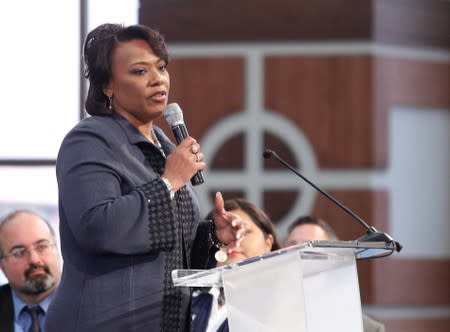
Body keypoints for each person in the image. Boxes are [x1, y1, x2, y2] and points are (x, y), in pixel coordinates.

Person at [44, 23, 243, 332]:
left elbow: (171, 252)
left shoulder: (164, 146)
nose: (157, 79)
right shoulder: (89, 140)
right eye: (139, 71)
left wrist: (214, 235)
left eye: (161, 68)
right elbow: (96, 228)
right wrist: (170, 182)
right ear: (107, 85)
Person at [192, 198, 281, 332]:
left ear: (268, 243)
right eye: (223, 232)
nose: (234, 239)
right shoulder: (184, 299)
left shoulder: (283, 302)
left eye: (243, 230)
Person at [285, 215, 386, 332]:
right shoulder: (269, 316)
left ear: (333, 256)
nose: (299, 251)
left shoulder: (367, 329)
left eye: (309, 245)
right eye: (293, 244)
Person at [0, 210, 62, 332]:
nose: (34, 260)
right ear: (2, 265)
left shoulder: (93, 306)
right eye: (19, 252)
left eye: (42, 246)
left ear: (57, 249)